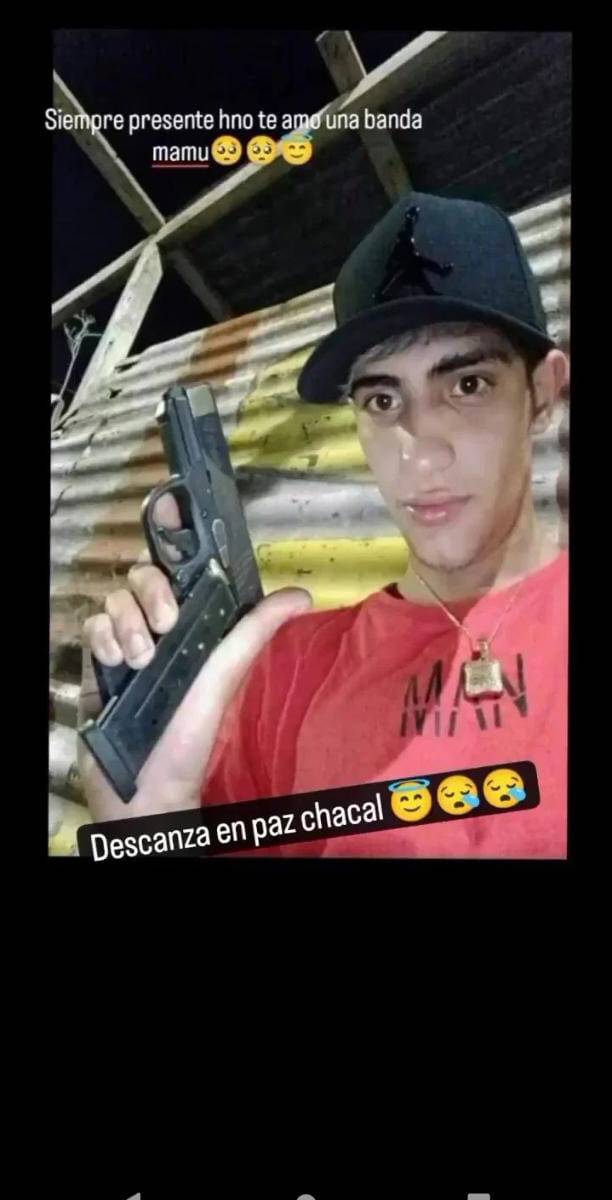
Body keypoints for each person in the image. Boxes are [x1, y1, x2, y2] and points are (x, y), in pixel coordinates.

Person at [79, 191, 569, 858]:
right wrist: (149, 826)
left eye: (467, 385)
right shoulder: (285, 672)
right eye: (382, 399)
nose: (420, 453)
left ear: (542, 392)